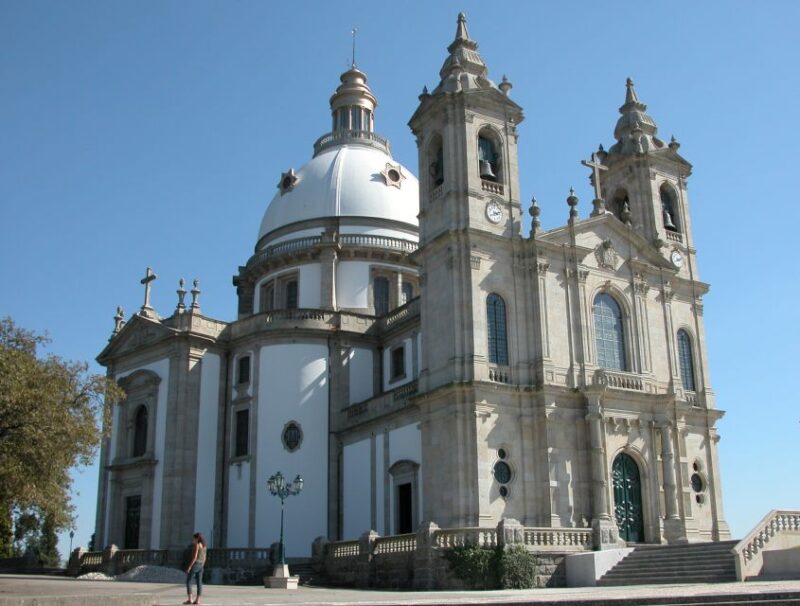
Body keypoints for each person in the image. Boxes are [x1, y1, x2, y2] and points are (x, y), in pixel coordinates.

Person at [184, 532, 207, 605]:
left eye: (194, 538)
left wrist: (190, 566)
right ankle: (197, 600)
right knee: (199, 583)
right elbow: (205, 558)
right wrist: (202, 565)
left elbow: (194, 557)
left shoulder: (197, 545)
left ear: (197, 538)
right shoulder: (204, 546)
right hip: (201, 565)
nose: (193, 540)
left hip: (196, 564)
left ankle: (190, 599)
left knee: (188, 581)